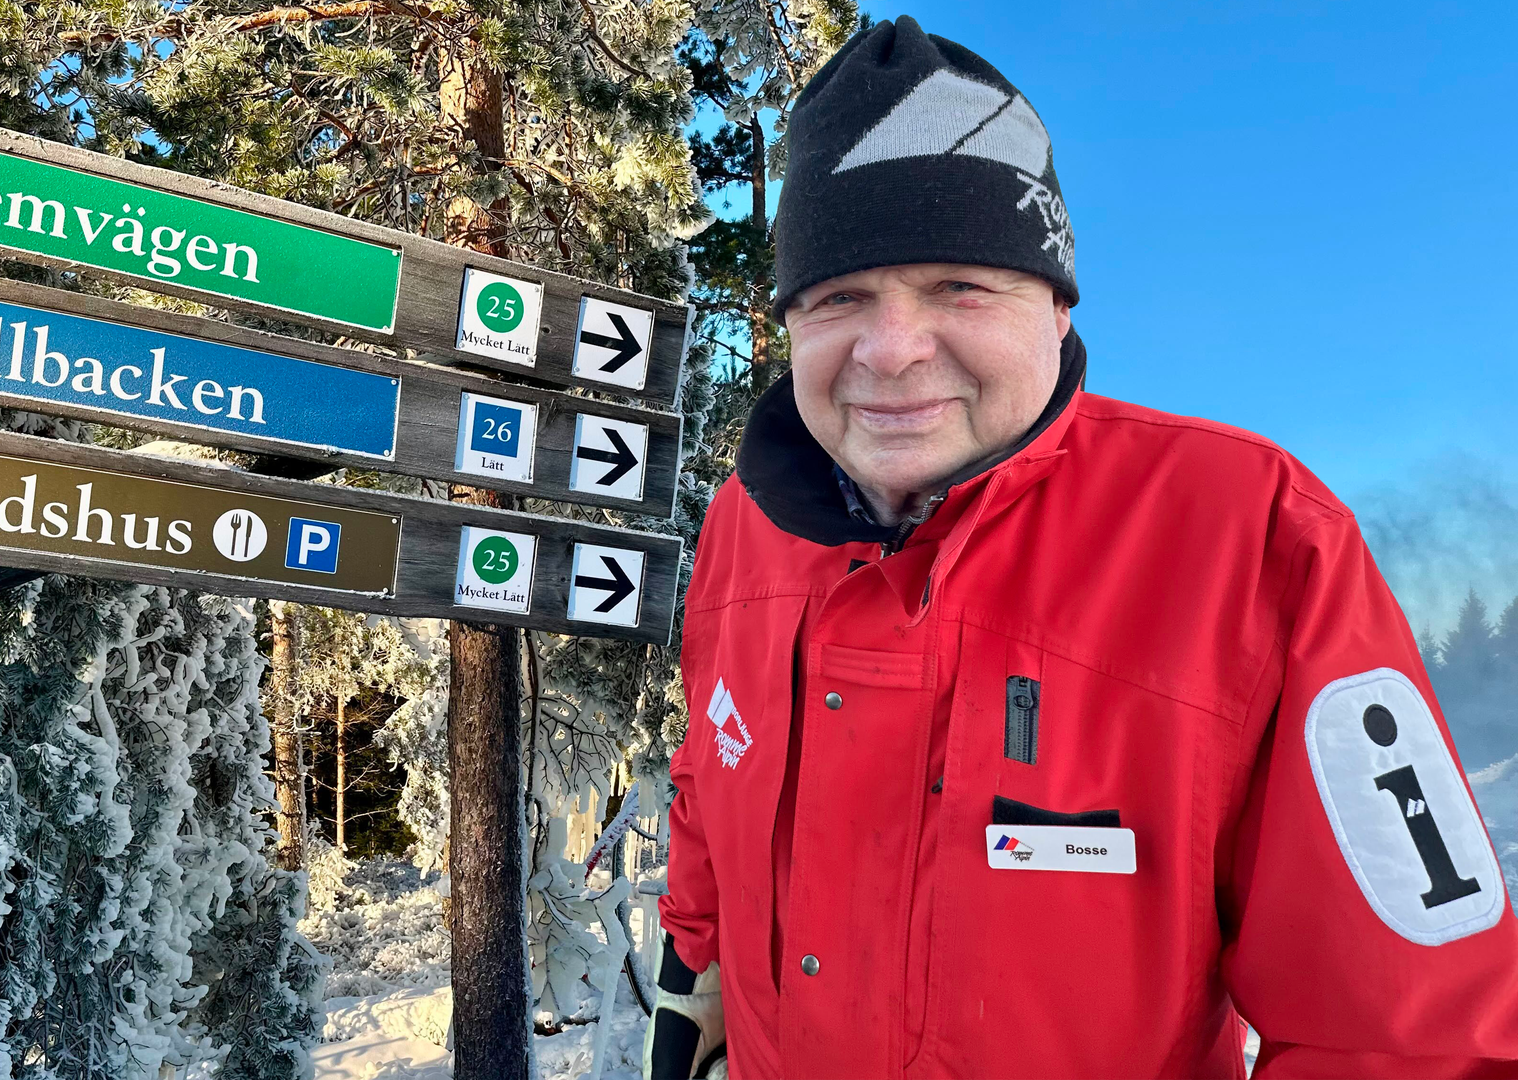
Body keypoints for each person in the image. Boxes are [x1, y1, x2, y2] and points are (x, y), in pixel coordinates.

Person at [642, 15, 1518, 1079]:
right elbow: (712, 780)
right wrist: (696, 980)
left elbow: (1409, 1037)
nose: (891, 348)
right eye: (840, 296)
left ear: (1056, 306)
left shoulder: (1252, 538)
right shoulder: (747, 525)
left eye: (959, 285)